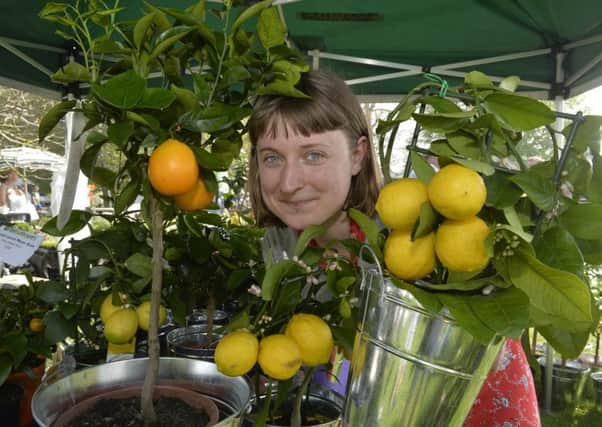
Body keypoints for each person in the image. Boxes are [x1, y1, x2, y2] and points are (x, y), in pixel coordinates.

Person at [247, 70, 540, 426]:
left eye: (313, 156)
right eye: (273, 158)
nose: (289, 183)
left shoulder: (417, 247)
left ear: (358, 155)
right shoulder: (277, 248)